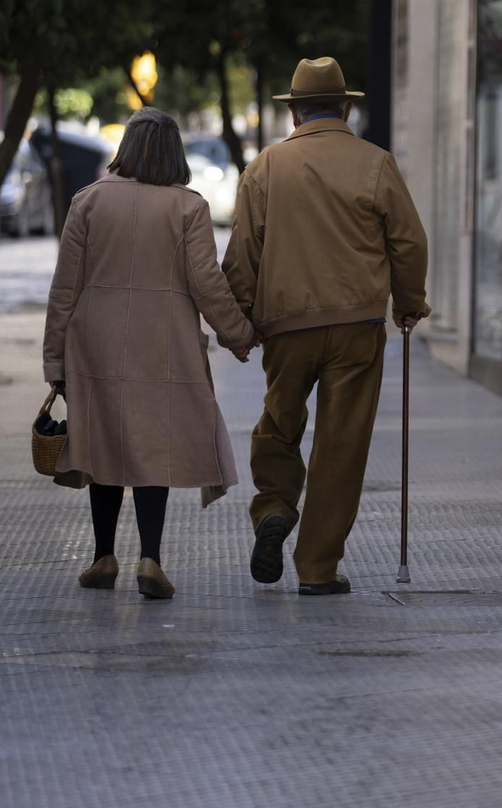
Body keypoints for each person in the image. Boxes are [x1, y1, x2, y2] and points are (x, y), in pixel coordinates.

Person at [223, 57, 429, 596]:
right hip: (358, 325)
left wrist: (243, 320)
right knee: (342, 445)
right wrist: (409, 302)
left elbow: (242, 253)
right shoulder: (376, 164)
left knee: (279, 423)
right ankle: (317, 568)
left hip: (287, 325)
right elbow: (409, 241)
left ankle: (273, 504)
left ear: (294, 114)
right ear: (345, 107)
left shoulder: (265, 167)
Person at [42, 107, 256, 601]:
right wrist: (239, 334)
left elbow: (64, 290)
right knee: (152, 449)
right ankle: (152, 559)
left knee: (103, 446)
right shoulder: (188, 208)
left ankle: (102, 556)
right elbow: (208, 284)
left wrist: (55, 363)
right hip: (163, 348)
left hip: (94, 346)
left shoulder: (88, 202)